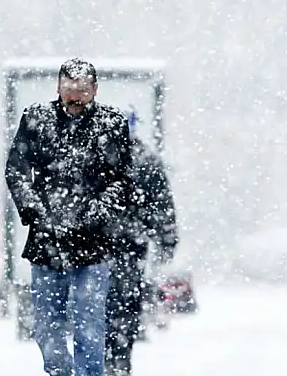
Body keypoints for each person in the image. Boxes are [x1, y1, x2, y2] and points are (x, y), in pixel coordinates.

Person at [5, 58, 132, 376]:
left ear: (95, 90)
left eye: (82, 90)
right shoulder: (36, 119)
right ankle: (58, 372)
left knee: (89, 322)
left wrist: (96, 212)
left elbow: (122, 180)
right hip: (46, 243)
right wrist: (35, 209)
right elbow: (17, 170)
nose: (75, 96)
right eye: (69, 89)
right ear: (58, 88)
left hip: (93, 243)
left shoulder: (112, 124)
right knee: (47, 324)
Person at [105, 109, 178, 376]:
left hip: (99, 247)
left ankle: (105, 359)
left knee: (98, 305)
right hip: (130, 246)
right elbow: (163, 207)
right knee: (124, 304)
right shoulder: (146, 160)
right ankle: (119, 360)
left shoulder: (95, 157)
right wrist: (167, 241)